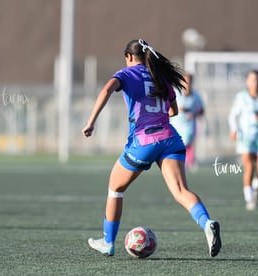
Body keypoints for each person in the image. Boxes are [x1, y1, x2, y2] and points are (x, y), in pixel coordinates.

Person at [82, 39, 221, 257]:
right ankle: (207, 223)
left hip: (144, 142)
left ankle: (108, 242)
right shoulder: (160, 76)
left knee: (115, 188)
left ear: (129, 57)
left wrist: (91, 121)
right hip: (170, 139)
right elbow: (173, 111)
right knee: (181, 191)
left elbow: (107, 89)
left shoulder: (127, 74)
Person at [228, 70, 258, 211]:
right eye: (252, 79)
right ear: (247, 82)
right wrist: (234, 129)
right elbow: (233, 115)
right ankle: (249, 198)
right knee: (249, 167)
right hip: (245, 137)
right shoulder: (241, 97)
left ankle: (255, 187)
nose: (254, 82)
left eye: (257, 79)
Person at [170, 73, 204, 171]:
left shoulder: (196, 96)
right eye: (185, 80)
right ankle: (182, 163)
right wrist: (177, 110)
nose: (187, 83)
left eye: (189, 81)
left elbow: (201, 110)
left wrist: (193, 114)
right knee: (177, 146)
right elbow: (168, 106)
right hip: (176, 125)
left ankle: (186, 163)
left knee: (185, 144)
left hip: (189, 126)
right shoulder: (175, 93)